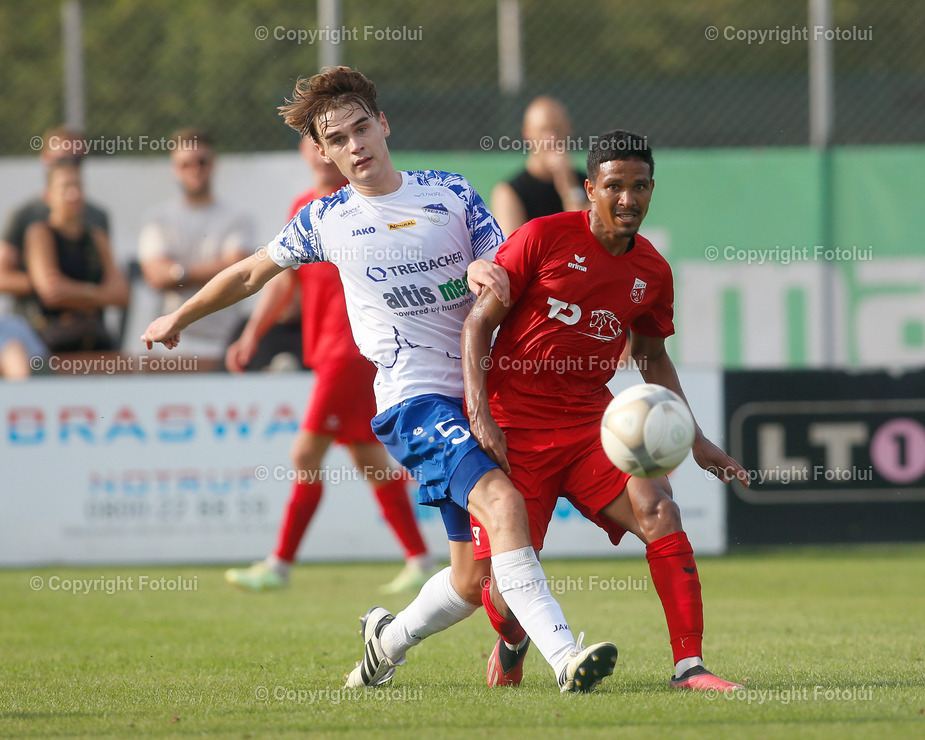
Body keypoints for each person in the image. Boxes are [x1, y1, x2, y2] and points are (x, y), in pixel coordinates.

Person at [141, 66, 616, 693]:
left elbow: (501, 261)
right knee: (503, 503)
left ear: (383, 124)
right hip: (413, 402)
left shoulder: (449, 192)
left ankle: (383, 644)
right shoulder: (325, 218)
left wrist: (485, 268)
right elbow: (251, 274)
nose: (354, 146)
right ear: (324, 151)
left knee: (472, 581)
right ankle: (565, 661)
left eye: (361, 128)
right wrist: (179, 313)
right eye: (336, 140)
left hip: (481, 390)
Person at [462, 130, 750, 692]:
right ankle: (515, 639)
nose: (628, 199)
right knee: (498, 587)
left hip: (594, 426)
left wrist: (696, 440)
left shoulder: (652, 272)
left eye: (639, 187)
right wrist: (481, 414)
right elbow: (478, 325)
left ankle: (689, 667)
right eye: (614, 186)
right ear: (589, 189)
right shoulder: (541, 238)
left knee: (660, 509)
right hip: (514, 429)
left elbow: (650, 357)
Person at [223, 135, 436, 594]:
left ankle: (279, 565)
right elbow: (281, 282)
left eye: (336, 142)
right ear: (307, 152)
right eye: (318, 143)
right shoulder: (306, 208)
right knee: (369, 459)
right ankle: (420, 558)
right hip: (328, 352)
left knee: (304, 455)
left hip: (351, 352)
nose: (324, 153)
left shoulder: (362, 206)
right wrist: (251, 334)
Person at [138, 128, 253, 363]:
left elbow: (239, 270)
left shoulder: (238, 217)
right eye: (185, 164)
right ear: (174, 169)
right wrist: (217, 270)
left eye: (201, 162)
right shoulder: (158, 218)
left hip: (224, 341)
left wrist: (178, 273)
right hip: (169, 341)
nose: (195, 170)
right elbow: (155, 275)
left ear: (213, 164)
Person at [23, 159, 129, 352]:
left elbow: (121, 294)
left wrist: (73, 294)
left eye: (78, 186)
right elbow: (51, 291)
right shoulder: (40, 234)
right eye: (65, 187)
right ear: (48, 195)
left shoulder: (97, 236)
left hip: (96, 339)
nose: (73, 194)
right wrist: (97, 294)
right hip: (52, 343)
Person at [489, 96, 588, 236]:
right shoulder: (509, 192)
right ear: (527, 133)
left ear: (569, 129)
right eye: (542, 131)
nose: (551, 139)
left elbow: (590, 238)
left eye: (557, 129)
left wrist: (569, 187)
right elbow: (512, 252)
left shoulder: (590, 184)